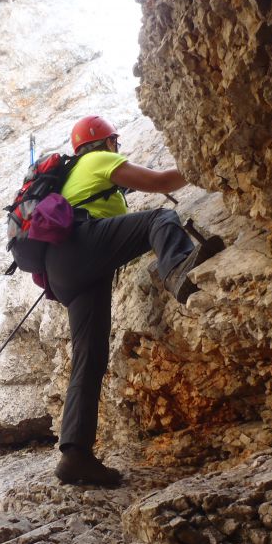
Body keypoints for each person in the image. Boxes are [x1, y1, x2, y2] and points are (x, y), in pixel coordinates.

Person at [45, 115, 223, 488]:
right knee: (160, 217)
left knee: (88, 359)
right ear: (106, 143)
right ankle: (176, 269)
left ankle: (75, 455)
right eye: (115, 142)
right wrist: (204, 163)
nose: (116, 148)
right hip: (81, 245)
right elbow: (160, 184)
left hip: (64, 268)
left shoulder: (71, 180)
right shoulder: (94, 160)